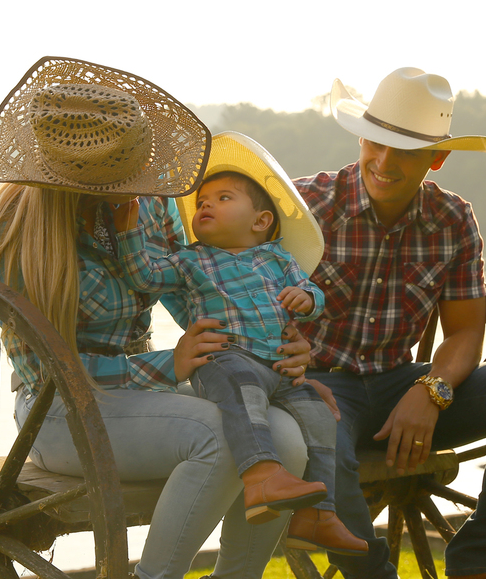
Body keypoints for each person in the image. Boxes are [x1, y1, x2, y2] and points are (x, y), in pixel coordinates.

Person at [0, 57, 315, 579]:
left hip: (139, 398)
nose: (131, 184)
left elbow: (203, 299)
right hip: (57, 412)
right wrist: (166, 364)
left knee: (286, 441)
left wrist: (274, 345)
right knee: (216, 436)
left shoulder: (155, 209)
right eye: (116, 175)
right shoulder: (25, 229)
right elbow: (49, 368)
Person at [293, 67, 486, 579]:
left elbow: (465, 333)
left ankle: (476, 572)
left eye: (407, 153)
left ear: (436, 160)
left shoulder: (453, 219)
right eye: (376, 143)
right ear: (360, 138)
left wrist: (431, 391)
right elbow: (233, 293)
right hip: (317, 384)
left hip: (399, 381)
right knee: (319, 436)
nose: (385, 163)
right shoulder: (303, 205)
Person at [112, 132, 367, 557]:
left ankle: (319, 515)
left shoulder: (278, 259)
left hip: (280, 366)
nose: (206, 204)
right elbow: (145, 277)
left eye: (223, 198)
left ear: (261, 221)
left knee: (322, 418)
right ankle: (261, 475)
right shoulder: (191, 260)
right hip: (226, 360)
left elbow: (312, 294)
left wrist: (306, 300)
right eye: (203, 200)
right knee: (242, 390)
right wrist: (128, 233)